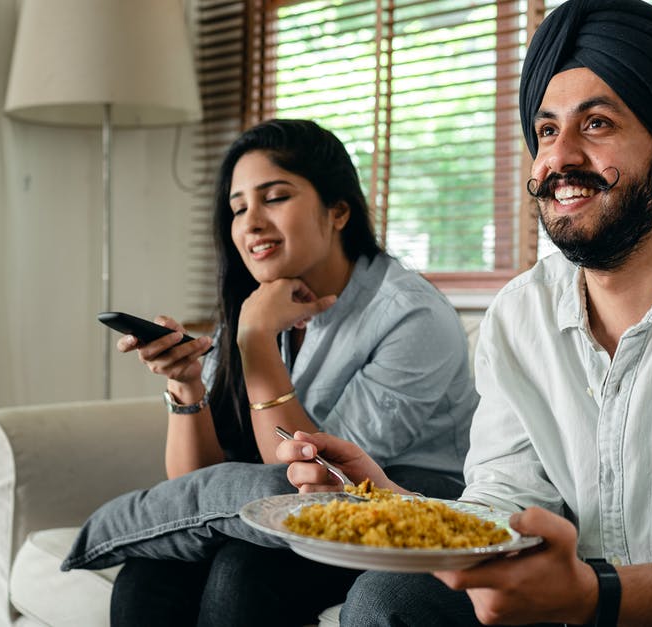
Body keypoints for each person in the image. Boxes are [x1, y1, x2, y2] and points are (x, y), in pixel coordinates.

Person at [277, 1, 652, 625]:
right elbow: (504, 502)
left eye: (596, 125)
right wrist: (393, 504)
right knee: (384, 598)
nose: (558, 158)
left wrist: (595, 597)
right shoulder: (519, 314)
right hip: (577, 607)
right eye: (546, 131)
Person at [62, 119, 479, 626]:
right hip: (299, 507)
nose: (251, 222)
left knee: (245, 570)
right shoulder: (265, 301)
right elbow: (198, 482)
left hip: (399, 503)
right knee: (150, 573)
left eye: (274, 197)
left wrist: (254, 342)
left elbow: (307, 475)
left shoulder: (412, 315)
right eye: (238, 208)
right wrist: (187, 381)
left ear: (338, 210)